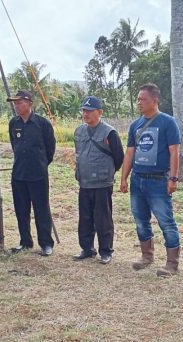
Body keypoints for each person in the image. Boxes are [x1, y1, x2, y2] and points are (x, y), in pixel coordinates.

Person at [120, 83, 182, 277]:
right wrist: (124, 177)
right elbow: (130, 153)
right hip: (138, 180)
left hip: (159, 180)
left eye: (143, 99)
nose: (139, 102)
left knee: (166, 221)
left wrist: (173, 178)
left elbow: (174, 152)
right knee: (140, 220)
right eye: (138, 99)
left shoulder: (167, 122)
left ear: (155, 100)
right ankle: (147, 256)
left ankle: (172, 263)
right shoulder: (135, 125)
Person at [72, 96, 124, 264]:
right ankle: (87, 248)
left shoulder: (109, 132)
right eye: (84, 111)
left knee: (103, 219)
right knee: (85, 217)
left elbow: (119, 157)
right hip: (84, 182)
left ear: (100, 112)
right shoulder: (79, 131)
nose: (85, 114)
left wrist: (107, 172)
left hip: (102, 183)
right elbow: (78, 154)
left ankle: (106, 251)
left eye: (89, 111)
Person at [7, 90, 56, 256]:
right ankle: (25, 241)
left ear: (29, 103)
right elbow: (15, 146)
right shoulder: (14, 123)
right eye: (15, 103)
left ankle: (46, 244)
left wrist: (40, 164)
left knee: (41, 209)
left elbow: (50, 149)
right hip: (19, 174)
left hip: (38, 175)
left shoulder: (42, 124)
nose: (16, 105)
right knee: (21, 210)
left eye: (19, 102)